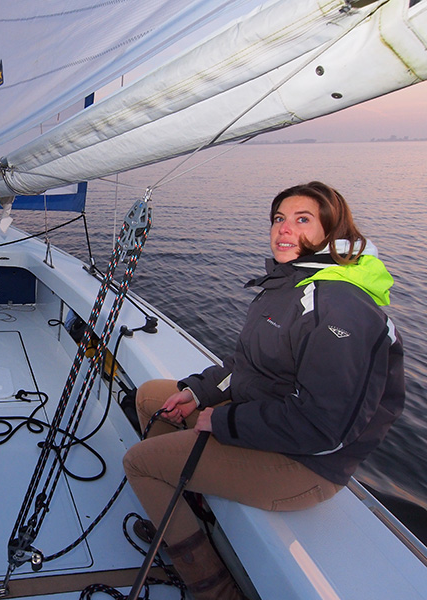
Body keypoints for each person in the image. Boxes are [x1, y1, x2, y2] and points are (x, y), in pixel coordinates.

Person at [123, 181, 405, 600]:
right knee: (150, 397)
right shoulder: (290, 284)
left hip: (306, 461)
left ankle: (212, 586)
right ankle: (188, 508)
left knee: (140, 462)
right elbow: (246, 367)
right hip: (269, 415)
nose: (284, 229)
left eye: (302, 220)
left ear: (332, 229)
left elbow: (322, 428)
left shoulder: (340, 305)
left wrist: (221, 419)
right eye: (278, 219)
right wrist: (199, 394)